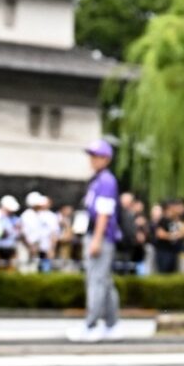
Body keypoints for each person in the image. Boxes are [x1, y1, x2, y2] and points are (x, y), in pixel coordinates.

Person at [71, 139, 122, 342]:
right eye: (91, 155)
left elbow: (104, 213)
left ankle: (91, 324)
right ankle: (112, 324)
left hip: (100, 236)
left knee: (96, 282)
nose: (92, 160)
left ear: (106, 159)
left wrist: (97, 240)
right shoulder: (97, 179)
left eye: (96, 156)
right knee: (104, 282)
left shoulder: (106, 181)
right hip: (95, 234)